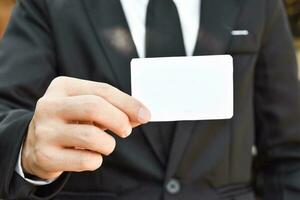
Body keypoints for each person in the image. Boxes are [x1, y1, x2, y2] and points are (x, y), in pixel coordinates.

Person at [0, 0, 300, 199]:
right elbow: (5, 111)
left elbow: (288, 150)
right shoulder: (48, 4)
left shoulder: (257, 4)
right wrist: (27, 148)